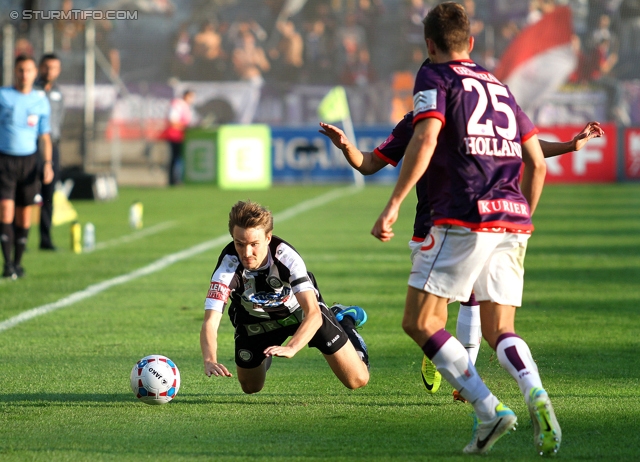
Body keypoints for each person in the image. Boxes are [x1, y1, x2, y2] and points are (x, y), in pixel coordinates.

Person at [371, 3, 559, 455]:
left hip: (463, 213)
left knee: (420, 321)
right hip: (512, 215)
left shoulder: (435, 76)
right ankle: (535, 390)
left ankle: (489, 410)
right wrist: (522, 218)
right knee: (501, 329)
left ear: (430, 44)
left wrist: (393, 204)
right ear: (471, 43)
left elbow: (426, 136)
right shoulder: (500, 86)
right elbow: (536, 163)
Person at [320, 115, 603, 401]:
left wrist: (569, 145)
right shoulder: (417, 120)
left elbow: (522, 147)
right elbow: (369, 163)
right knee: (427, 320)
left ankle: (468, 382)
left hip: (476, 224)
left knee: (472, 298)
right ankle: (442, 351)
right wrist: (346, 147)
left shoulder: (480, 114)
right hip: (432, 227)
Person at [200, 200, 370, 394]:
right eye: (239, 244)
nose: (247, 253)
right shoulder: (227, 268)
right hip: (255, 321)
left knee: (357, 379)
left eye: (254, 244)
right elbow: (210, 321)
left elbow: (313, 313)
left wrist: (292, 347)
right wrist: (209, 360)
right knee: (251, 387)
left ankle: (344, 320)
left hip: (299, 314)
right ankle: (265, 350)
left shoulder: (287, 259)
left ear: (268, 238)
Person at [0, 55, 52, 279]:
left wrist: (48, 164)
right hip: (5, 161)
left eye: (29, 70)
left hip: (29, 162)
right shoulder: (3, 96)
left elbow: (45, 136)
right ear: (15, 72)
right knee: (5, 211)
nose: (24, 75)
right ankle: (7, 263)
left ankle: (18, 263)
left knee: (24, 216)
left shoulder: (40, 100)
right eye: (21, 70)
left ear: (34, 73)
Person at [34, 53, 64, 251]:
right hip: (30, 146)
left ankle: (46, 238)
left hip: (51, 146)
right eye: (46, 67)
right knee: (26, 193)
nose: (49, 71)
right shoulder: (31, 90)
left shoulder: (59, 92)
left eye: (53, 67)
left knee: (48, 193)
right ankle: (20, 236)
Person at [162, 90, 195, 186]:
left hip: (181, 136)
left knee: (179, 158)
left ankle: (177, 179)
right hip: (174, 135)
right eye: (191, 97)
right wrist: (184, 127)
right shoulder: (178, 104)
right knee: (176, 158)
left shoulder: (186, 107)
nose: (192, 100)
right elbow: (172, 121)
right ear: (186, 96)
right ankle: (174, 180)